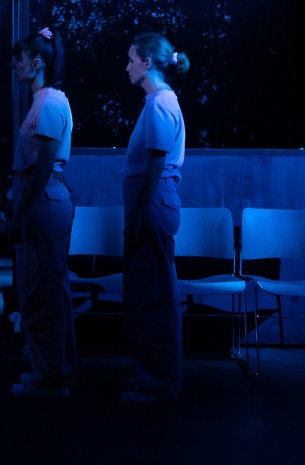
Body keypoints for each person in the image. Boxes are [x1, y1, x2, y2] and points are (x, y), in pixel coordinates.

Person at [120, 32, 189, 402]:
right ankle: (154, 379)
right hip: (151, 203)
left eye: (132, 59)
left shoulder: (160, 103)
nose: (128, 66)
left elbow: (156, 163)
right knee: (148, 291)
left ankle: (158, 382)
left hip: (152, 204)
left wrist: (135, 216)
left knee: (153, 295)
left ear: (147, 63)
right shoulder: (158, 102)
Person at [8, 27, 76, 398]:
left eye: (19, 59)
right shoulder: (43, 101)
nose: (14, 65)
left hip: (44, 200)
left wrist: (21, 213)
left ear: (36, 63)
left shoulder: (49, 103)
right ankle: (55, 370)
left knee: (40, 292)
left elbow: (45, 164)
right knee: (48, 290)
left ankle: (50, 377)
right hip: (44, 198)